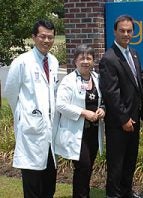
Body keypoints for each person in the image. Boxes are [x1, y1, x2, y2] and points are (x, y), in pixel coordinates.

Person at [99, 15, 143, 198]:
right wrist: (123, 119)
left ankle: (126, 192)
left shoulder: (133, 53)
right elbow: (111, 93)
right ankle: (113, 195)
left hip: (134, 117)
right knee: (117, 163)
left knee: (130, 160)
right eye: (122, 30)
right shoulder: (109, 58)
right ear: (115, 31)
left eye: (129, 30)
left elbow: (135, 75)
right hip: (119, 122)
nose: (126, 34)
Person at [4, 19, 58, 198]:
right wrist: (23, 116)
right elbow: (11, 93)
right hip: (31, 131)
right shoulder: (22, 62)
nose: (46, 40)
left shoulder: (54, 61)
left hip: (50, 132)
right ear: (34, 37)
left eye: (50, 37)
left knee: (49, 183)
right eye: (42, 36)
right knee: (33, 187)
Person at [54, 44, 105, 197]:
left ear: (93, 61)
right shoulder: (69, 80)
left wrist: (103, 108)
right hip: (77, 132)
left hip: (93, 131)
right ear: (75, 61)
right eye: (81, 58)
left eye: (89, 58)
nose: (85, 61)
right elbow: (61, 105)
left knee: (87, 168)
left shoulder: (97, 78)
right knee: (83, 166)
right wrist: (83, 113)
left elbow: (104, 99)